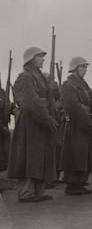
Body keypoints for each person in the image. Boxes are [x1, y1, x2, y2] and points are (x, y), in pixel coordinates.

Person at [8, 47, 57, 202]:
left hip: (39, 121)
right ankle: (26, 192)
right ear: (31, 60)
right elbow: (31, 102)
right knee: (30, 157)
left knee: (39, 157)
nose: (43, 59)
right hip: (30, 123)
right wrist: (46, 117)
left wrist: (47, 112)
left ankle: (37, 191)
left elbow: (43, 99)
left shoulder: (39, 77)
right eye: (39, 57)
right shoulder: (25, 77)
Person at [60, 57, 92, 196]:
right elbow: (74, 106)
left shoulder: (83, 85)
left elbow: (89, 102)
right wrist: (90, 123)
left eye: (85, 67)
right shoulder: (69, 85)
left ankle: (79, 183)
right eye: (82, 67)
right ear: (75, 69)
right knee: (75, 155)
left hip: (85, 123)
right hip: (76, 124)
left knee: (84, 155)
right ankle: (72, 185)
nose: (85, 70)